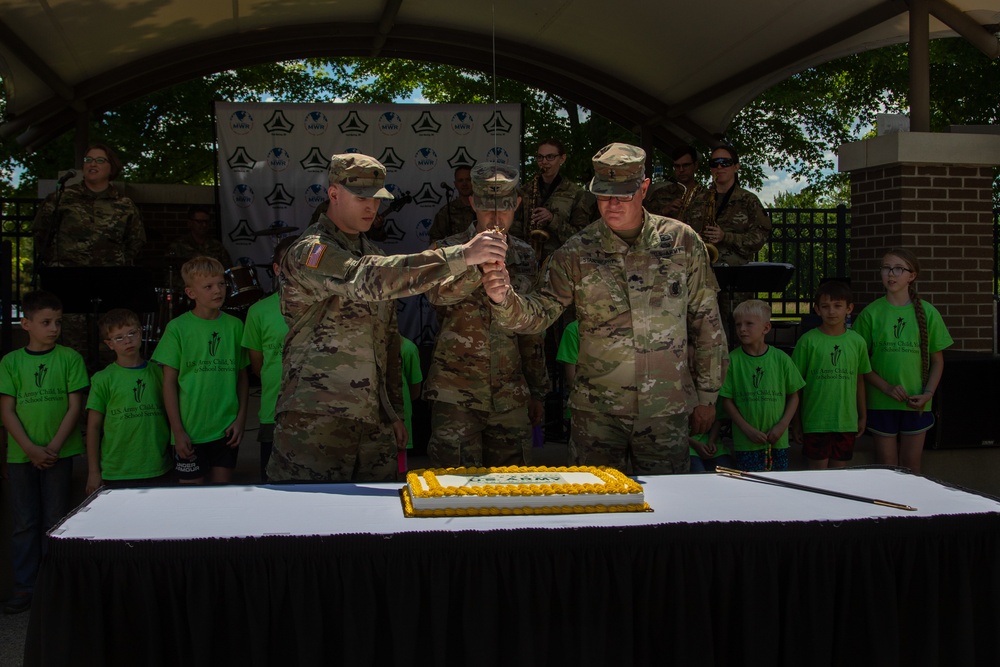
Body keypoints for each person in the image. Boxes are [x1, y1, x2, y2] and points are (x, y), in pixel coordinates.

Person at [483, 142, 725, 475]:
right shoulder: (576, 251)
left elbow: (707, 321)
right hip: (598, 415)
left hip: (664, 411)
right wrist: (503, 299)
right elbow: (538, 313)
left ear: (643, 188)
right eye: (603, 194)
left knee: (667, 512)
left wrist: (708, 394)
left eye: (622, 195)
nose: (611, 205)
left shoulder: (681, 242)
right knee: (596, 510)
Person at [269, 153, 508, 483]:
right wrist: (463, 254)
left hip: (374, 421)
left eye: (377, 200)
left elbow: (388, 341)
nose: (372, 208)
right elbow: (364, 277)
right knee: (309, 524)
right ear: (334, 194)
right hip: (317, 418)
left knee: (374, 526)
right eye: (362, 198)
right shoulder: (310, 251)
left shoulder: (376, 254)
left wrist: (394, 411)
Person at [423, 163, 549, 468]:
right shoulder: (448, 249)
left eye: (505, 209)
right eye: (487, 208)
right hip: (456, 393)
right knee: (453, 491)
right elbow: (435, 295)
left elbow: (531, 329)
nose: (496, 218)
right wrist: (476, 263)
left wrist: (537, 390)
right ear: (472, 203)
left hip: (510, 394)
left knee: (513, 492)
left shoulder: (525, 254)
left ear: (517, 204)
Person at [0, 291, 88, 615]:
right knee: (24, 522)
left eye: (58, 322)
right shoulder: (10, 363)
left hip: (58, 455)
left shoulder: (70, 358)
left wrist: (51, 447)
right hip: (22, 457)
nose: (54, 328)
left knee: (55, 521)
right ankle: (25, 587)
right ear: (25, 324)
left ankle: (55, 588)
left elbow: (75, 406)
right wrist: (29, 448)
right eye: (46, 322)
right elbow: (6, 411)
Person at [32, 143, 146, 368]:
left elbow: (136, 242)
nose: (92, 164)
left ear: (111, 167)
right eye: (88, 159)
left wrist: (115, 262)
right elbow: (41, 234)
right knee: (72, 349)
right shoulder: (61, 198)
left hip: (110, 285)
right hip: (70, 284)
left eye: (99, 160)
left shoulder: (124, 204)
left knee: (109, 344)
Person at [852, 248, 952, 475]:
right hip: (881, 402)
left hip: (915, 402)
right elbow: (860, 363)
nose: (891, 274)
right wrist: (886, 387)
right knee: (887, 468)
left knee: (911, 468)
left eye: (898, 269)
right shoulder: (871, 313)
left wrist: (928, 393)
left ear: (912, 276)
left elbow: (937, 361)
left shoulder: (928, 313)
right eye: (886, 268)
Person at [152, 256, 249, 485]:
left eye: (221, 284)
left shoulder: (235, 326)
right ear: (190, 293)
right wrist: (177, 431)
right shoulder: (177, 328)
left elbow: (242, 377)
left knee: (221, 492)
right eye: (208, 286)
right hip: (190, 430)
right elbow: (168, 383)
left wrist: (241, 419)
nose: (218, 291)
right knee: (191, 497)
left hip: (225, 430)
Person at [85, 308, 172, 494]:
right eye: (119, 338)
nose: (127, 340)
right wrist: (93, 471)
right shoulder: (103, 379)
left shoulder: (159, 373)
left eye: (132, 333)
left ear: (141, 333)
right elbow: (93, 427)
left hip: (157, 465)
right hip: (118, 469)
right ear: (109, 344)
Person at [790, 281, 871, 470]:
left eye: (837, 306)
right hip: (815, 421)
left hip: (845, 421)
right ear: (817, 310)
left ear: (849, 308)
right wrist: (796, 422)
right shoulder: (808, 341)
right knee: (817, 475)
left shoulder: (857, 342)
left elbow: (859, 381)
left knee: (838, 475)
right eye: (825, 307)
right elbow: (795, 385)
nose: (831, 312)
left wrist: (862, 415)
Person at [720, 300, 805, 472]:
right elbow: (727, 400)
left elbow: (794, 395)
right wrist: (747, 430)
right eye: (738, 325)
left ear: (766, 328)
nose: (742, 329)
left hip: (777, 440)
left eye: (749, 324)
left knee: (778, 487)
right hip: (746, 442)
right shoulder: (732, 361)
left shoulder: (781, 359)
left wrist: (783, 426)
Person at [241, 237, 295, 482]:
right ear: (276, 269)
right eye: (290, 262)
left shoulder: (325, 306)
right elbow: (257, 365)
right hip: (272, 411)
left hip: (315, 412)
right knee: (272, 486)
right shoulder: (258, 311)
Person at [510, 138, 582, 262]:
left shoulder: (576, 193)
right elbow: (514, 230)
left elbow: (582, 237)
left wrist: (552, 219)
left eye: (550, 157)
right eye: (540, 157)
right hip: (527, 261)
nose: (544, 162)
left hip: (563, 262)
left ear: (562, 159)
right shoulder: (524, 191)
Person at [644, 144, 706, 222]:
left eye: (686, 165)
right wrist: (665, 210)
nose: (681, 170)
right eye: (677, 166)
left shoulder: (707, 195)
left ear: (696, 165)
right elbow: (645, 221)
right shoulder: (660, 193)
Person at [167, 205, 234, 275]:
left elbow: (228, 270)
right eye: (199, 222)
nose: (204, 225)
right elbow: (170, 274)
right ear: (190, 223)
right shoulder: (178, 246)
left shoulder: (217, 246)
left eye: (206, 222)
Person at [427, 166, 477, 242]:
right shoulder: (447, 212)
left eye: (468, 180)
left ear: (474, 182)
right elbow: (435, 239)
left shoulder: (484, 209)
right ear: (455, 184)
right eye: (460, 180)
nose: (464, 184)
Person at [398, 335, 423, 473]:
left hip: (399, 419)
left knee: (399, 471)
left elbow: (415, 387)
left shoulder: (407, 348)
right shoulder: (407, 347)